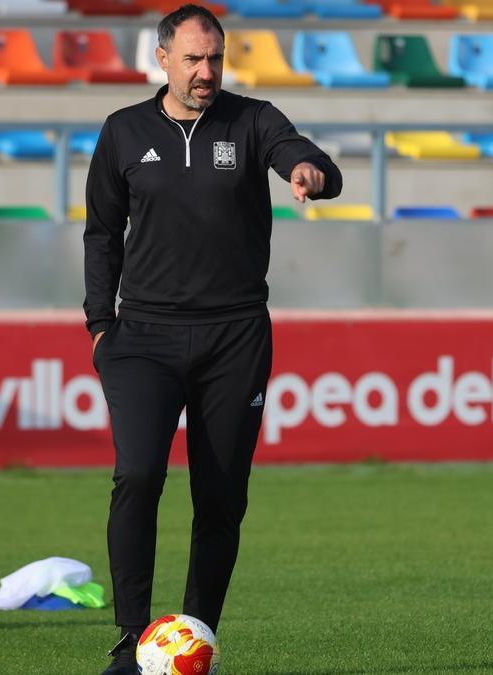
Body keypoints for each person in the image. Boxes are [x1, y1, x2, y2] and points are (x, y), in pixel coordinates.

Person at [83, 5, 343, 673]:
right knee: (139, 474)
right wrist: (100, 326)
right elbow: (102, 234)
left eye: (216, 59)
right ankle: (132, 639)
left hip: (235, 337)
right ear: (163, 59)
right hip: (143, 336)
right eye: (194, 59)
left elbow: (305, 156)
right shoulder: (122, 131)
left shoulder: (252, 121)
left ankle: (194, 640)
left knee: (221, 497)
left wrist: (307, 171)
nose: (206, 71)